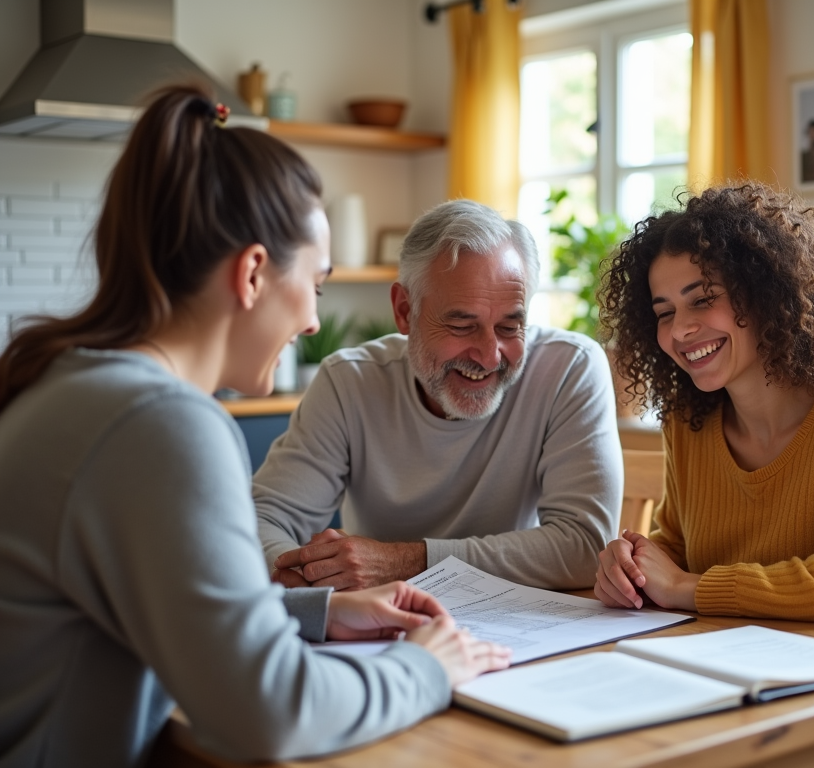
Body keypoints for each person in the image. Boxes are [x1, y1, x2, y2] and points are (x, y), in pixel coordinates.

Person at [0, 84, 510, 768]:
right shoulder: (162, 424)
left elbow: (155, 603)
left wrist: (319, 611)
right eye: (318, 286)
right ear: (252, 274)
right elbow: (273, 712)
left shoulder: (76, 386)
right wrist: (425, 669)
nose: (313, 322)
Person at [594, 181, 814, 629]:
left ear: (767, 294)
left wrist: (687, 588)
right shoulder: (689, 423)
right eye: (664, 312)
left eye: (703, 299)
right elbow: (678, 549)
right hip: (765, 660)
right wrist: (632, 568)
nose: (681, 329)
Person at [258, 199, 623, 592]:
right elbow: (261, 519)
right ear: (404, 310)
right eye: (461, 325)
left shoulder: (569, 368)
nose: (488, 356)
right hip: (382, 628)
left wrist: (402, 562)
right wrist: (300, 581)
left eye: (508, 326)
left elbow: (587, 548)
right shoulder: (348, 382)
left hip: (523, 627)